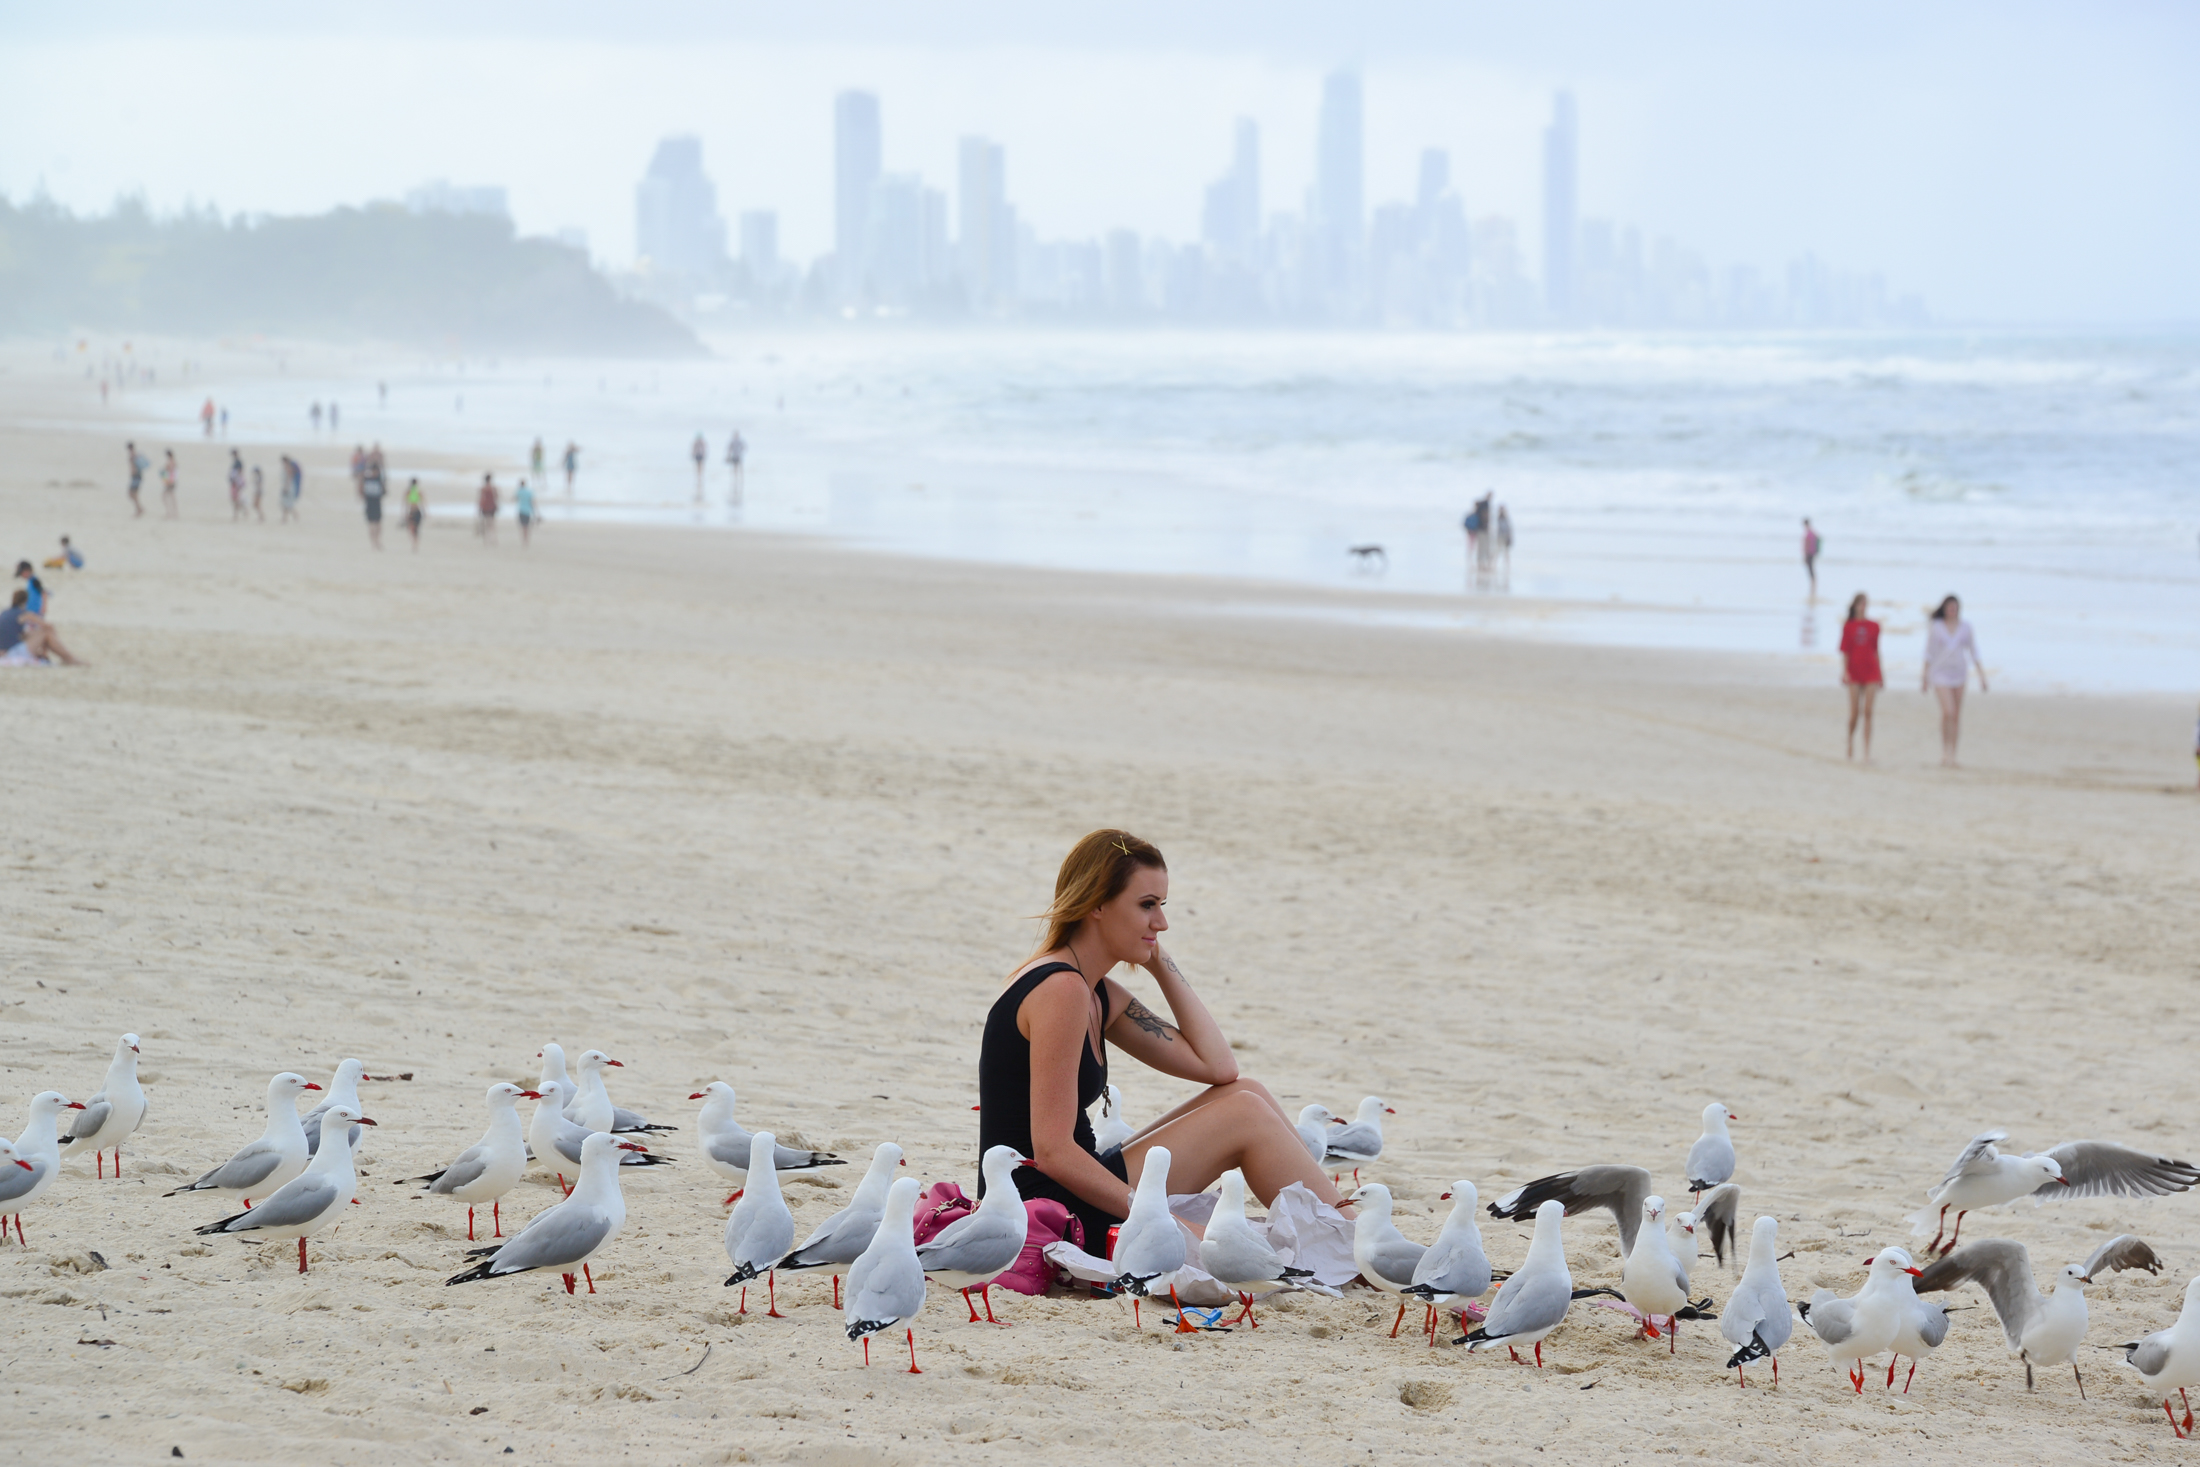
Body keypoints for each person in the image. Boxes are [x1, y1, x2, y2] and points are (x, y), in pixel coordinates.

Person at [978, 829, 1354, 1251]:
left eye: (1162, 905)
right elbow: (1053, 1153)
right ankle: (1355, 1244)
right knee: (1244, 1114)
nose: (1162, 922)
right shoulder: (1061, 990)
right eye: (1147, 905)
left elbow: (1218, 1068)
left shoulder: (1096, 992)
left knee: (1245, 1092)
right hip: (1044, 1211)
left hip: (1081, 1185)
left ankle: (1353, 1236)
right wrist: (1164, 1219)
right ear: (1096, 904)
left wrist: (1160, 962)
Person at [1922, 595, 1986, 767]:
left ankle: (1953, 754)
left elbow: (1974, 651)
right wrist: (1924, 677)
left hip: (1959, 674)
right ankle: (1945, 751)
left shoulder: (1966, 627)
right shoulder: (1936, 627)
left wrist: (1982, 675)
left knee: (1956, 715)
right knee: (1948, 712)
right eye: (1949, 607)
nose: (1952, 610)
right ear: (1944, 608)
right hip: (1940, 674)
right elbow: (1929, 652)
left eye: (1955, 607)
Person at [1839, 593, 1884, 761]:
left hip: (1871, 671)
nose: (1863, 607)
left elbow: (1876, 650)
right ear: (1855, 606)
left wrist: (1881, 674)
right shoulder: (1848, 626)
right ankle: (1850, 740)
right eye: (1860, 603)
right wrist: (1845, 671)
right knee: (1855, 713)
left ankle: (1866, 752)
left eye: (1865, 603)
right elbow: (1845, 651)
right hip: (1854, 672)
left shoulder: (1874, 626)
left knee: (1868, 712)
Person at [0, 588, 82, 666]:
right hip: (11, 653)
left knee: (37, 633)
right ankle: (68, 658)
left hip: (4, 651)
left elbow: (16, 634)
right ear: (26, 601)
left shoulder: (5, 613)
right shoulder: (24, 614)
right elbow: (48, 625)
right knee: (46, 632)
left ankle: (49, 655)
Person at [360, 461, 387, 550]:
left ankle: (377, 541)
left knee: (378, 524)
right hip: (370, 504)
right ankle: (373, 542)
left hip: (377, 503)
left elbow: (384, 492)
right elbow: (361, 490)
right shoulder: (367, 479)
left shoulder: (379, 480)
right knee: (371, 524)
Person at [476, 474, 500, 545]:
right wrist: (497, 506)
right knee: (492, 524)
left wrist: (479, 508)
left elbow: (481, 499)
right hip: (492, 507)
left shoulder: (483, 488)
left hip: (485, 507)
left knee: (486, 524)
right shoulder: (493, 488)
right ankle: (493, 540)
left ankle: (486, 541)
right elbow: (496, 497)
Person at [125, 441, 146, 518]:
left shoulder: (133, 455)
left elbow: (134, 467)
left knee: (132, 494)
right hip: (137, 476)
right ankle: (139, 509)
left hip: (136, 476)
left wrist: (133, 472)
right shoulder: (136, 454)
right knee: (133, 494)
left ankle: (139, 509)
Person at [404, 478, 425, 550]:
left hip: (412, 512)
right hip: (417, 511)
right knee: (415, 529)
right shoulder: (418, 491)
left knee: (413, 529)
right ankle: (415, 543)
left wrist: (405, 513)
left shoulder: (409, 492)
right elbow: (422, 503)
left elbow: (406, 503)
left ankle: (415, 543)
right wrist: (425, 512)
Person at [279, 455, 302, 522]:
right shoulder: (287, 467)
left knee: (288, 504)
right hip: (288, 487)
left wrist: (286, 488)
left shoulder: (288, 468)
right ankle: (286, 518)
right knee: (285, 504)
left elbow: (289, 478)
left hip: (289, 488)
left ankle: (293, 516)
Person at [514, 479, 536, 548]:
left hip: (521, 511)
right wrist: (534, 512)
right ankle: (526, 541)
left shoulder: (519, 491)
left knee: (522, 527)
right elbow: (532, 502)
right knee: (527, 527)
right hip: (527, 511)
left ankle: (523, 541)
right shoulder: (529, 492)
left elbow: (515, 498)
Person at [1802, 518, 1821, 594]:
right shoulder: (1812, 532)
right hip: (1813, 553)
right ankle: (1813, 582)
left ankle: (1813, 582)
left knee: (1810, 567)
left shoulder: (1808, 533)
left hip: (1809, 553)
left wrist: (1805, 554)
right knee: (1811, 567)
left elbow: (1807, 544)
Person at [228, 450, 247, 521]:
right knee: (235, 500)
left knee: (236, 500)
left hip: (236, 484)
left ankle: (236, 514)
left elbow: (239, 473)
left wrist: (238, 483)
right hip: (234, 483)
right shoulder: (236, 462)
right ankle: (243, 511)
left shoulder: (238, 462)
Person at [160, 449, 178, 518]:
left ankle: (170, 513)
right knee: (171, 497)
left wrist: (167, 481)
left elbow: (170, 472)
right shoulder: (173, 461)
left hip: (170, 482)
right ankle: (173, 513)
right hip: (172, 481)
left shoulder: (170, 462)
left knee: (165, 497)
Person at [691, 432, 707, 498]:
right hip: (697, 454)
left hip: (700, 454)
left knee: (700, 465)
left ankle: (700, 475)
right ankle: (698, 475)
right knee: (698, 465)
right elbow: (694, 449)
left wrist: (704, 454)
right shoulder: (696, 442)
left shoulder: (702, 442)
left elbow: (704, 449)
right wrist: (693, 453)